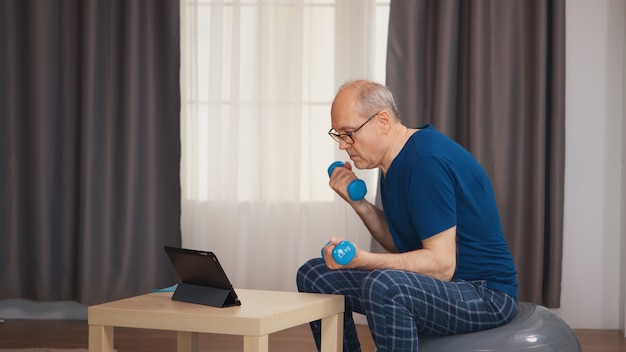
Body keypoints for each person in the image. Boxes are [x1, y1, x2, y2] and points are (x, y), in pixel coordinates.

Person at [296, 80, 518, 352]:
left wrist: (364, 260)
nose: (343, 146)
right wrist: (360, 204)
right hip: (440, 286)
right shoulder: (393, 161)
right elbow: (402, 244)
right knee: (315, 275)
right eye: (338, 135)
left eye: (349, 133)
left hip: (483, 294)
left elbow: (441, 264)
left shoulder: (425, 161)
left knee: (384, 284)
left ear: (383, 121)